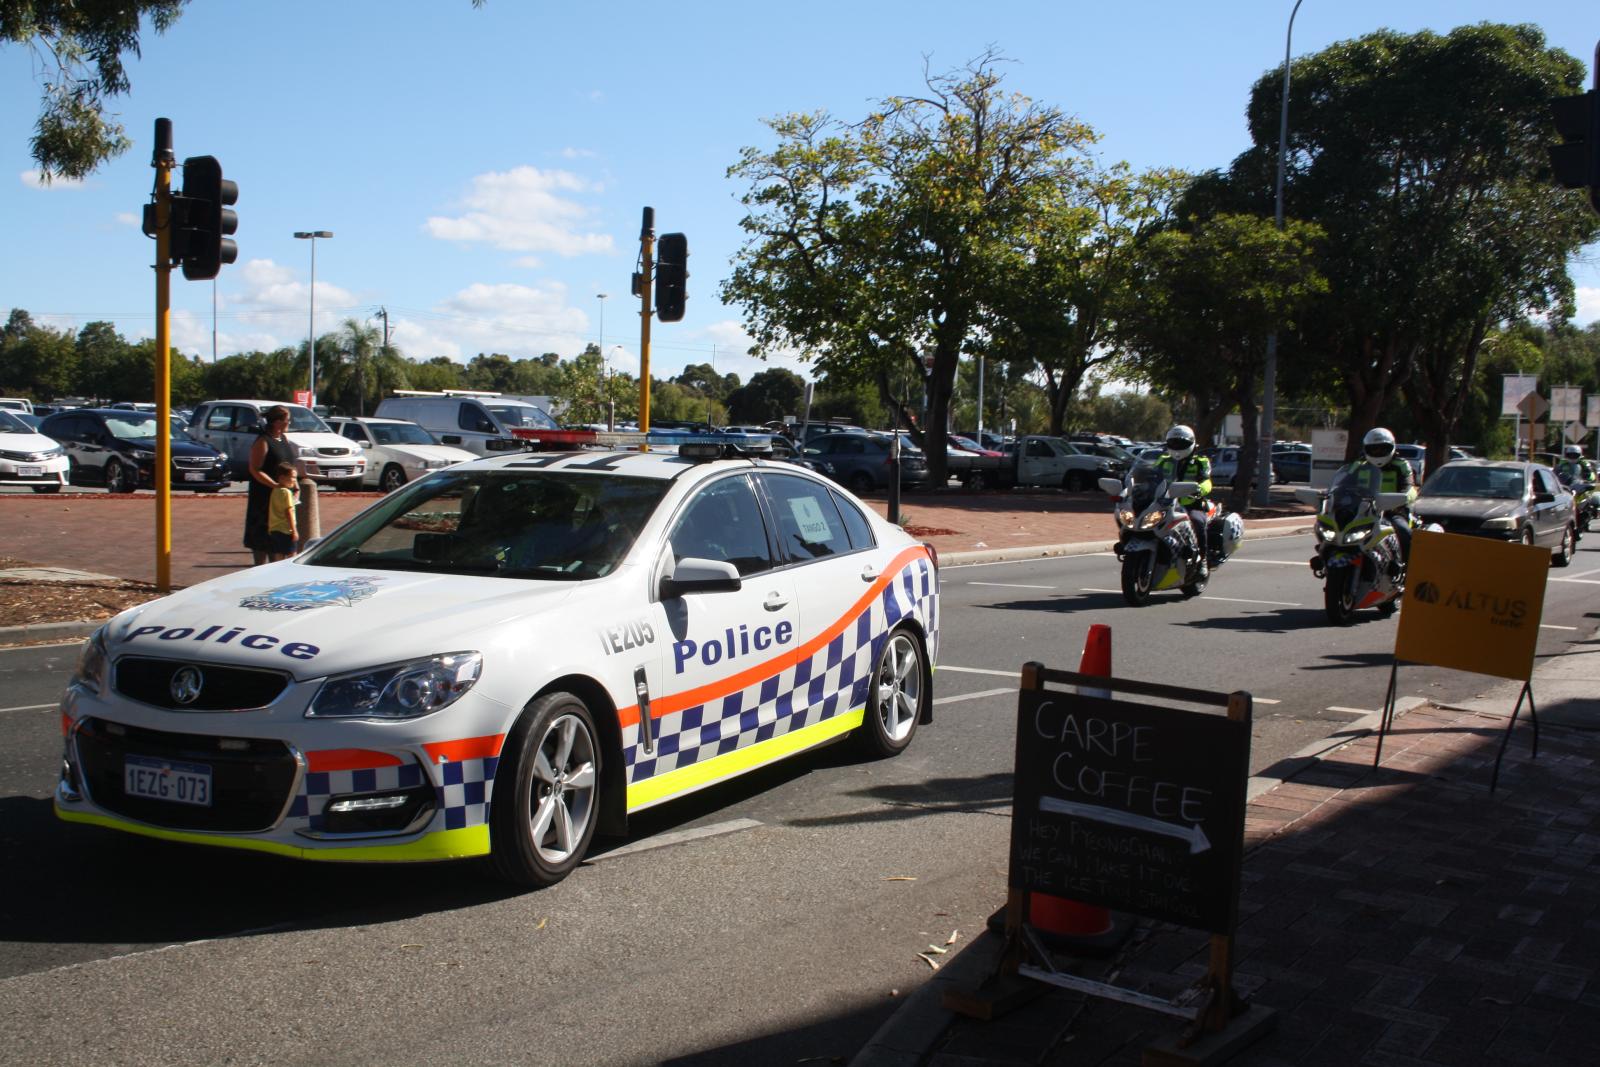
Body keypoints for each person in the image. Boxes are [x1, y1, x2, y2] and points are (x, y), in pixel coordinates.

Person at [1341, 427, 1417, 569]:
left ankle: (1407, 569)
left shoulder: (1401, 465)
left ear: (1392, 447)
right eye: (1374, 449)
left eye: (1383, 449)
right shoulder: (1358, 466)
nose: (1378, 453)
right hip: (1363, 512)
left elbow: (1410, 487)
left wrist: (1404, 497)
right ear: (1366, 449)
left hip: (1393, 511)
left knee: (1404, 531)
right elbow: (1343, 484)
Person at [1151, 424, 1214, 577]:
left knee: (1197, 523)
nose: (1177, 446)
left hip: (1191, 504)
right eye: (1174, 443)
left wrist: (1200, 489)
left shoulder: (1200, 461)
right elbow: (1150, 475)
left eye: (1181, 443)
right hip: (1164, 503)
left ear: (1191, 443)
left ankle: (1203, 561)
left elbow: (1207, 481)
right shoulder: (1163, 460)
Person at [244, 405, 299, 565]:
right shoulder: (263, 441)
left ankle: (277, 568)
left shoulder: (284, 439)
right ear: (277, 422)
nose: (289, 423)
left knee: (281, 539)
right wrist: (275, 485)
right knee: (262, 538)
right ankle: (260, 570)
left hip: (283, 497)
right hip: (264, 498)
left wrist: (295, 486)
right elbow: (254, 469)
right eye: (287, 420)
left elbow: (289, 466)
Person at [266, 462, 300, 561]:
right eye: (292, 477)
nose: (294, 480)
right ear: (281, 477)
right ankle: (290, 574)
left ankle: (278, 572)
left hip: (274, 529)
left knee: (278, 553)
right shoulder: (286, 492)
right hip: (286, 529)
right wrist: (294, 531)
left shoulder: (275, 490)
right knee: (292, 555)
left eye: (295, 477)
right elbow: (288, 511)